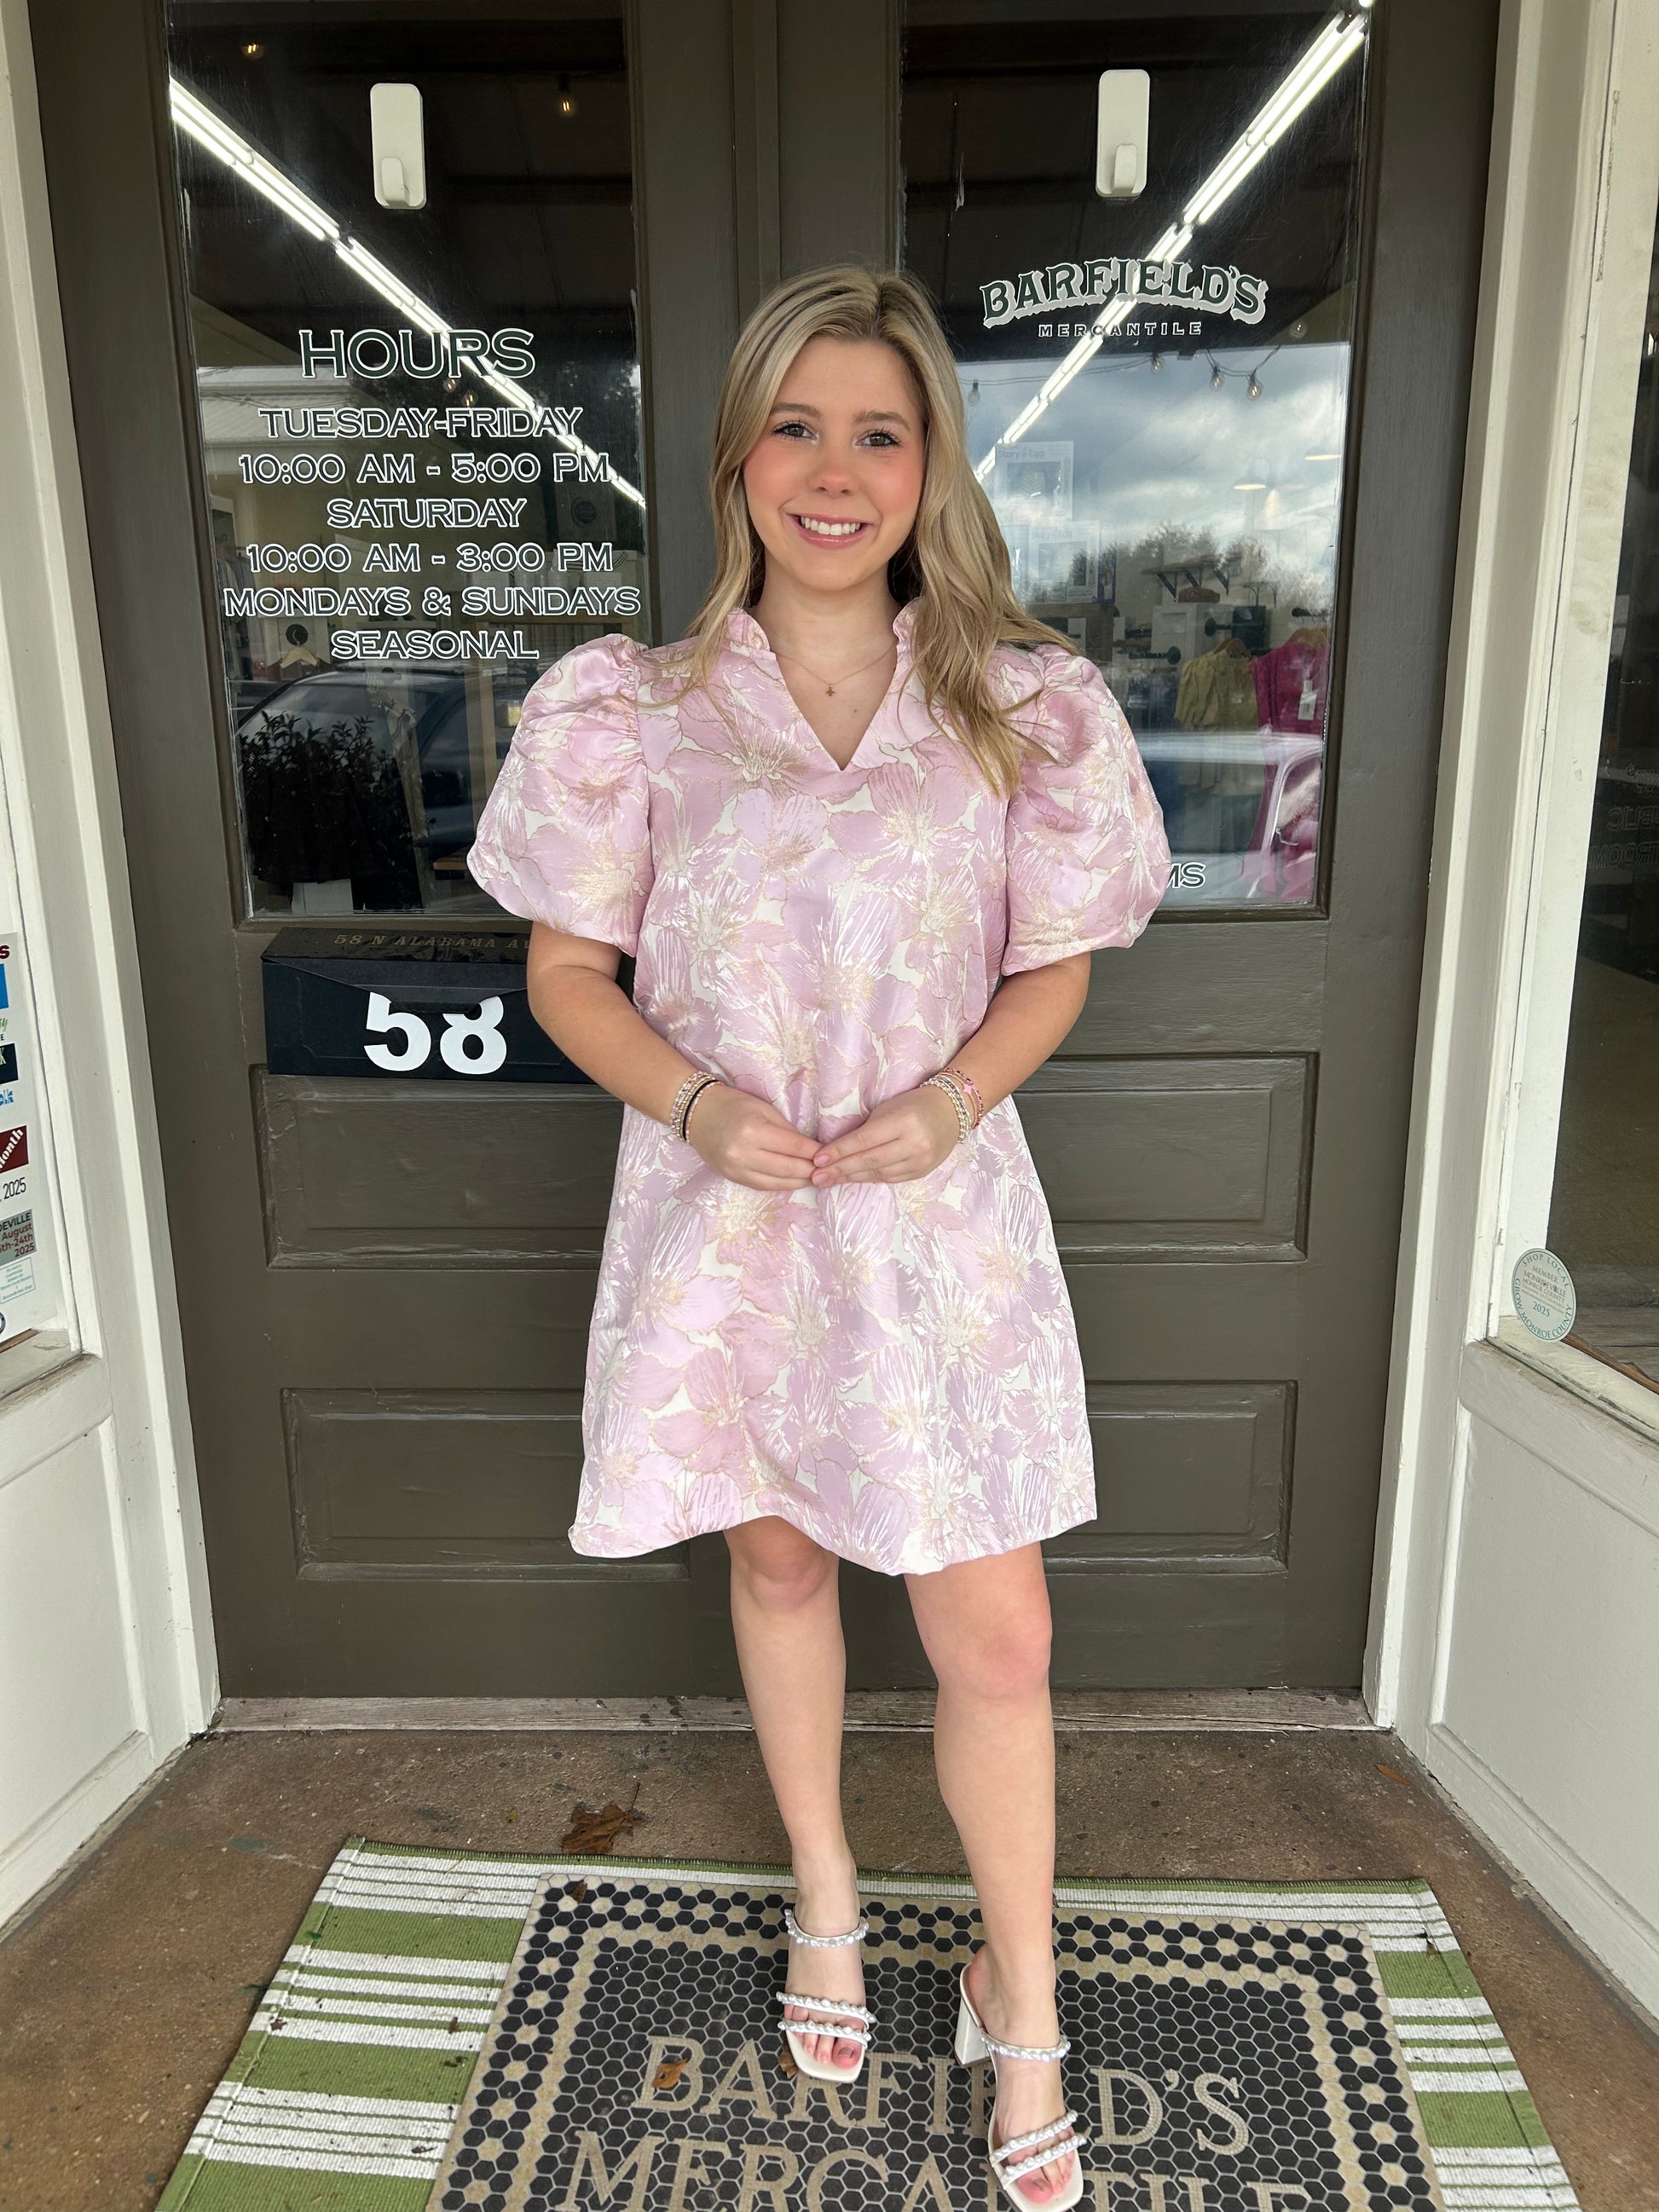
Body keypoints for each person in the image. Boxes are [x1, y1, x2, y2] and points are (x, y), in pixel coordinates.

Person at [467, 265, 1169, 2211]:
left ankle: (1020, 1992)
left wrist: (952, 1099)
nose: (834, 471)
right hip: (732, 1218)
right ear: (735, 457)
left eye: (878, 430)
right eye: (796, 426)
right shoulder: (635, 709)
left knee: (996, 1627)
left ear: (929, 463)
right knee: (779, 1554)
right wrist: (697, 1103)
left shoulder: (1023, 702)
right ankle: (829, 1891)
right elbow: (567, 973)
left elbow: (1052, 965)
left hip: (938, 1220)